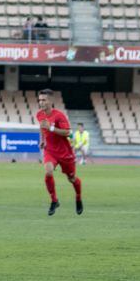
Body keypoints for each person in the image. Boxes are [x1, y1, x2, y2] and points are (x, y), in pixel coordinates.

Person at [36, 88, 82, 216]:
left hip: (64, 152)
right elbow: (42, 127)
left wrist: (51, 128)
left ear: (50, 101)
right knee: (48, 171)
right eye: (39, 100)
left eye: (44, 100)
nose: (41, 102)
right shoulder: (39, 114)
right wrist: (42, 140)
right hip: (50, 150)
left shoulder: (59, 115)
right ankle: (54, 200)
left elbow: (68, 132)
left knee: (71, 178)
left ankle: (78, 197)